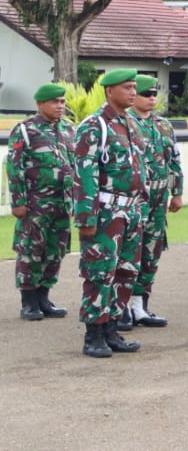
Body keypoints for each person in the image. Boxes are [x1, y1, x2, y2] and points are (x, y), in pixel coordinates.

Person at [72, 69, 145, 358]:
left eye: (134, 87)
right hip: (105, 212)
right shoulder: (94, 126)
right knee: (100, 273)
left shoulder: (131, 124)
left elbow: (140, 169)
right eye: (127, 87)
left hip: (131, 210)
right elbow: (85, 174)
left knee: (126, 272)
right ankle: (94, 334)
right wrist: (86, 217)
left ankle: (112, 329)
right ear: (109, 91)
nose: (132, 92)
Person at [7, 82, 75, 322]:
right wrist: (17, 201)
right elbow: (14, 168)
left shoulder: (68, 130)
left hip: (62, 203)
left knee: (55, 250)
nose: (60, 106)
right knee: (30, 251)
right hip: (35, 204)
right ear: (40, 104)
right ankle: (29, 302)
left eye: (62, 101)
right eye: (55, 102)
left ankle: (44, 297)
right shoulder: (25, 130)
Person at [126, 75, 183, 328]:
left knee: (151, 250)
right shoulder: (125, 123)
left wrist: (177, 192)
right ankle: (122, 306)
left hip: (160, 198)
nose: (151, 98)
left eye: (153, 94)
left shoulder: (163, 125)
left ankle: (140, 305)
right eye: (145, 94)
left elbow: (174, 160)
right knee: (129, 251)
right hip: (135, 198)